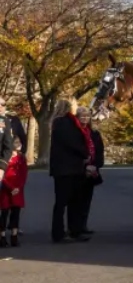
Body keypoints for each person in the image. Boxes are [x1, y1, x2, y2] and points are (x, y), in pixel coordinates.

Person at [48, 99, 95, 243]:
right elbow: (72, 143)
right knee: (66, 202)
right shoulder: (65, 122)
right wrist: (85, 154)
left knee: (68, 202)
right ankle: (62, 232)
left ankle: (70, 230)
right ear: (69, 107)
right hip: (68, 169)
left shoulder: (58, 123)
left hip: (65, 168)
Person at [76, 107, 105, 236]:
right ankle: (75, 227)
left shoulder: (94, 133)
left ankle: (83, 225)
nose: (85, 118)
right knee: (77, 200)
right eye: (82, 116)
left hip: (92, 171)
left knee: (87, 200)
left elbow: (99, 152)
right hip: (78, 170)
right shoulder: (75, 132)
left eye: (87, 116)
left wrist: (95, 166)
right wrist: (84, 166)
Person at [0, 137, 26, 247]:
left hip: (18, 189)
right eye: (15, 142)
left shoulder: (21, 157)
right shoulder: (5, 158)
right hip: (6, 189)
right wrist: (10, 188)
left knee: (16, 212)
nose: (18, 144)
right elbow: (3, 175)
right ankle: (2, 236)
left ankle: (14, 236)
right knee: (4, 213)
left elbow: (24, 173)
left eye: (19, 142)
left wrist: (19, 187)